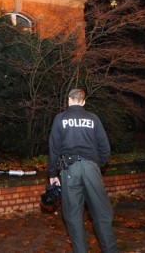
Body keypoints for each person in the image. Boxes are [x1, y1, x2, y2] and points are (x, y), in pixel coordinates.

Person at [48, 89, 118, 253]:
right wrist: (95, 164)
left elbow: (54, 149)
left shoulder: (60, 119)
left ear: (69, 100)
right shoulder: (93, 119)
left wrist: (52, 173)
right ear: (84, 102)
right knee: (102, 214)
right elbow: (105, 148)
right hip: (91, 168)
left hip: (69, 171)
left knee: (73, 216)